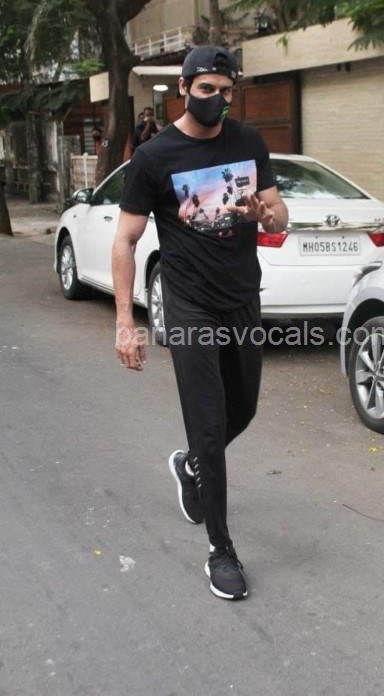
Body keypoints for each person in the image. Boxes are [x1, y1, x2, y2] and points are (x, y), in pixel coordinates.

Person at [112, 46, 288, 600]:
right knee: (209, 426)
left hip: (242, 298)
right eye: (207, 88)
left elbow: (278, 215)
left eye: (226, 90)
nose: (218, 99)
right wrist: (125, 321)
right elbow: (125, 240)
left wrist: (265, 214)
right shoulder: (154, 156)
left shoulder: (249, 142)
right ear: (184, 88)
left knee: (244, 408)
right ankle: (221, 549)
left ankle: (191, 467)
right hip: (189, 306)